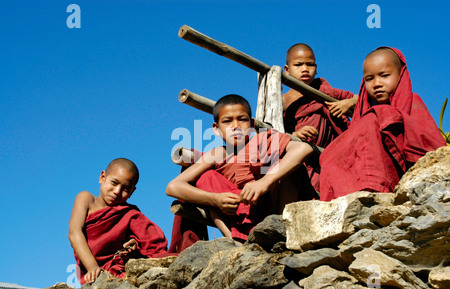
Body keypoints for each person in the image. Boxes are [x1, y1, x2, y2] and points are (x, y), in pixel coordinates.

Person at [166, 94, 316, 243]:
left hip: (274, 208)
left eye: (242, 119)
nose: (235, 126)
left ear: (251, 124)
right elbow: (173, 187)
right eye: (227, 121)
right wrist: (215, 200)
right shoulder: (218, 154)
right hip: (238, 214)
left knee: (286, 164)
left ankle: (283, 228)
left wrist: (264, 182)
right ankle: (234, 241)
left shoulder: (262, 141)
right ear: (216, 129)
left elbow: (303, 148)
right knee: (206, 177)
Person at [319, 47, 447, 201]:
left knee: (377, 115)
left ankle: (372, 187)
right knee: (329, 151)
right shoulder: (363, 113)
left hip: (395, 179)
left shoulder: (413, 102)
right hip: (358, 184)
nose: (377, 83)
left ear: (401, 75)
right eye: (369, 79)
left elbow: (431, 146)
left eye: (384, 75)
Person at [68, 158, 172, 285]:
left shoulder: (129, 213)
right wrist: (92, 267)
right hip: (92, 270)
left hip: (118, 268)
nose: (117, 191)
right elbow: (74, 233)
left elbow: (152, 244)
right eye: (114, 182)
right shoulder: (87, 199)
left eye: (125, 189)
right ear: (102, 177)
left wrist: (135, 245)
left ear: (132, 192)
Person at [282, 43, 358, 192]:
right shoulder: (284, 100)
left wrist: (348, 103)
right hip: (301, 159)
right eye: (298, 65)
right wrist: (294, 136)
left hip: (331, 155)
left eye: (309, 64)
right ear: (287, 70)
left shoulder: (325, 91)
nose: (305, 69)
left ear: (316, 69)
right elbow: (276, 133)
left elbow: (362, 97)